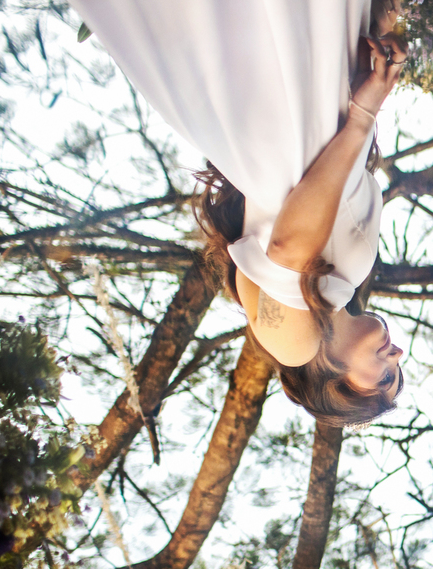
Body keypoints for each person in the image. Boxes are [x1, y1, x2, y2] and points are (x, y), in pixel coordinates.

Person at [67, 0, 407, 427]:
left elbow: (289, 248)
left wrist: (363, 116)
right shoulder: (343, 283)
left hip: (278, 115)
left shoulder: (295, 347)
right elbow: (340, 162)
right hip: (315, 84)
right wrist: (371, 32)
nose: (396, 356)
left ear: (339, 388)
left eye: (385, 378)